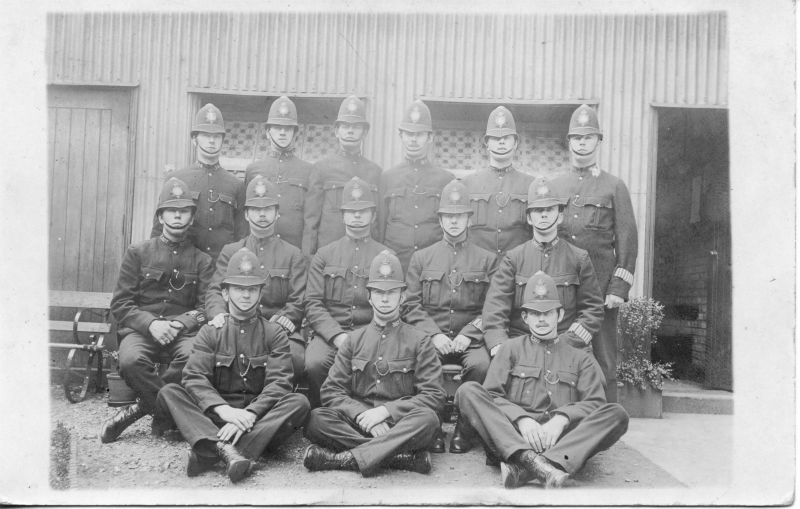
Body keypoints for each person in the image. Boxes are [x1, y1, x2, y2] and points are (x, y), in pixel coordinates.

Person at [455, 271, 629, 489]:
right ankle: (532, 459)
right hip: (516, 436)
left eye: (548, 313)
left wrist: (562, 419)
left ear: (560, 314)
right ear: (526, 318)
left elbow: (595, 403)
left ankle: (527, 467)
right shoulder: (510, 349)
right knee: (468, 391)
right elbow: (491, 395)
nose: (542, 319)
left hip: (561, 440)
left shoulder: (580, 356)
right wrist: (521, 419)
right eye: (535, 314)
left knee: (617, 414)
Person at [154, 248, 310, 483]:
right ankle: (233, 450)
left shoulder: (274, 333)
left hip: (257, 419)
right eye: (238, 289)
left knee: (299, 402)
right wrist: (224, 410)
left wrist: (250, 414)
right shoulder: (210, 331)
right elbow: (195, 377)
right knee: (170, 392)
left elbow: (279, 383)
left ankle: (211, 450)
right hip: (217, 417)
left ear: (260, 294)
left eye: (252, 289)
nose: (245, 295)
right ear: (225, 294)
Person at [303, 250, 446, 477]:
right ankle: (399, 456)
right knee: (315, 419)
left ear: (403, 296)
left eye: (392, 292)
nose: (385, 299)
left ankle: (344, 459)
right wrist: (362, 415)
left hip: (399, 423)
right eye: (379, 292)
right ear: (369, 297)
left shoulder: (420, 340)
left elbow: (434, 395)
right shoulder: (353, 340)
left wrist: (385, 412)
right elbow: (331, 391)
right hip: (359, 423)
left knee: (428, 420)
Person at [100, 177, 214, 443]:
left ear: (191, 217)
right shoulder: (138, 252)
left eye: (183, 210)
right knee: (130, 361)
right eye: (171, 210)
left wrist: (180, 324)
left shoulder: (203, 260)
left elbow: (205, 307)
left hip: (184, 334)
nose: (177, 215)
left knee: (194, 359)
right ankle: (169, 415)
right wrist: (151, 324)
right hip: (142, 331)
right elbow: (121, 303)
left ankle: (140, 409)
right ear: (160, 216)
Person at [549, 104, 639, 403]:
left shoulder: (614, 186)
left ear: (599, 142)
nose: (582, 143)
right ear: (569, 142)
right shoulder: (554, 186)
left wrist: (618, 288)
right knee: (560, 351)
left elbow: (627, 239)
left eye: (589, 137)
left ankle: (607, 421)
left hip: (600, 290)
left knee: (605, 358)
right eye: (577, 137)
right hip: (562, 284)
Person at [403, 179, 497, 454]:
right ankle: (430, 428)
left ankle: (464, 430)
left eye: (460, 216)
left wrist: (470, 334)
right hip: (433, 339)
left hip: (472, 341)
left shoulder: (487, 259)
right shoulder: (422, 258)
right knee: (422, 366)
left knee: (481, 367)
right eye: (448, 216)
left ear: (469, 219)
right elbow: (410, 304)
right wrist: (434, 335)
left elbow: (493, 306)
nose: (454, 222)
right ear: (440, 219)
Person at [482, 179, 604, 361]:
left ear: (560, 216)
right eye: (538, 211)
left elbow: (592, 309)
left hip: (567, 345)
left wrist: (569, 341)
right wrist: (500, 346)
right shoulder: (513, 258)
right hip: (521, 344)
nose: (544, 215)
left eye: (549, 210)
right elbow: (495, 309)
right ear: (530, 218)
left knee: (595, 382)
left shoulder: (579, 258)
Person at [205, 175, 308, 383]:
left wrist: (280, 320)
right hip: (236, 324)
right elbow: (215, 291)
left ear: (277, 213)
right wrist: (218, 314)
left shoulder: (292, 254)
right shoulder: (231, 251)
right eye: (256, 209)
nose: (262, 214)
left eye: (268, 209)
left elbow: (298, 299)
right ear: (246, 214)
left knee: (295, 359)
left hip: (277, 327)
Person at [303, 177, 391, 407]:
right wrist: (336, 335)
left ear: (373, 216)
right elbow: (313, 303)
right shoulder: (325, 255)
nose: (357, 217)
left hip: (371, 332)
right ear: (343, 216)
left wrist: (368, 336)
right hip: (332, 333)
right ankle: (323, 411)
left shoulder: (385, 257)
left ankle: (363, 410)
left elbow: (391, 303)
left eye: (363, 211)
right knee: (314, 363)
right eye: (351, 212)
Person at [151, 103, 247, 261]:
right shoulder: (176, 180)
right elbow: (158, 231)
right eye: (206, 135)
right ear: (194, 139)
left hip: (221, 268)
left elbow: (242, 235)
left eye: (216, 136)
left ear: (223, 140)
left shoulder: (236, 185)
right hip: (184, 267)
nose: (211, 141)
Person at [377, 99, 453, 272]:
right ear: (401, 136)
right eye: (409, 134)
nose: (413, 140)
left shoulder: (445, 180)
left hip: (433, 266)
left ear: (430, 137)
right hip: (395, 264)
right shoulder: (388, 178)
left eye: (419, 134)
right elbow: (380, 227)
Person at [307, 95, 382, 253]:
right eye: (345, 125)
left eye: (356, 126)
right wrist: (309, 259)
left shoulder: (374, 172)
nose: (350, 130)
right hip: (329, 256)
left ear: (364, 132)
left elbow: (378, 223)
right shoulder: (321, 168)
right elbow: (311, 222)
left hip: (365, 255)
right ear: (336, 131)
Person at [244, 96, 317, 256]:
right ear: (268, 132)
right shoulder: (254, 170)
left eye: (288, 128)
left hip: (294, 254)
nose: (283, 132)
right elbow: (246, 218)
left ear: (295, 133)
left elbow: (311, 222)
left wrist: (305, 258)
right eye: (277, 127)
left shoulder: (309, 171)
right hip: (258, 253)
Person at [462, 106, 534, 258]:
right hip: (478, 271)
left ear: (515, 143)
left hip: (517, 269)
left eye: (506, 138)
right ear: (487, 143)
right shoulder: (466, 185)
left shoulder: (531, 185)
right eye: (495, 138)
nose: (501, 142)